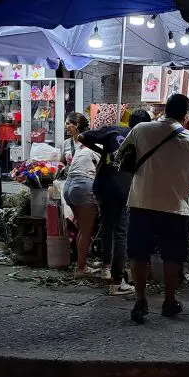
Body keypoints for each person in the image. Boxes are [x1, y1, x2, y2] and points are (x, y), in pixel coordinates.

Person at [118, 93, 189, 324]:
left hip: (140, 202)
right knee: (172, 255)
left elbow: (122, 155)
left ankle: (140, 300)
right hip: (174, 206)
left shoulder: (141, 130)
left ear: (164, 109)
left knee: (138, 253)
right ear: (186, 115)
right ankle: (169, 300)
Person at [79, 109, 152, 295]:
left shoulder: (113, 130)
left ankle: (105, 268)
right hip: (122, 191)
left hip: (102, 186)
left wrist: (103, 152)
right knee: (121, 232)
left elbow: (81, 137)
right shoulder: (143, 139)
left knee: (106, 227)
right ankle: (117, 281)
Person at [62, 112, 100, 277]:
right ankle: (81, 268)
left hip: (69, 186)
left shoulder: (85, 144)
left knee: (82, 229)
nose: (66, 126)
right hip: (82, 185)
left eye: (68, 123)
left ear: (77, 126)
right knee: (86, 230)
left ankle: (81, 263)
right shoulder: (94, 144)